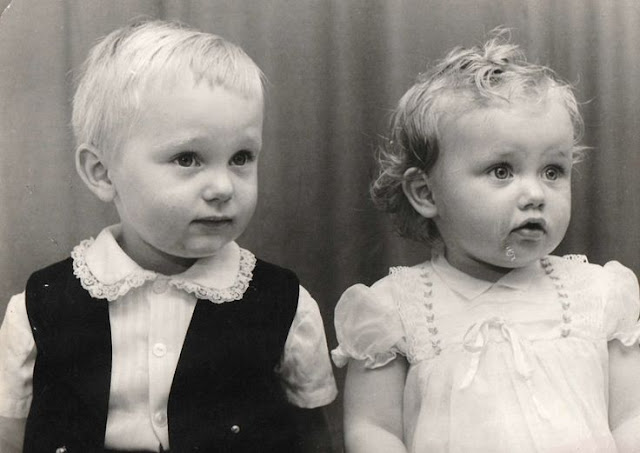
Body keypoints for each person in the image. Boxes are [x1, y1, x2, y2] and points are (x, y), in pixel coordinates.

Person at [0, 20, 337, 453]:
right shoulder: (40, 306)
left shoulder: (283, 302)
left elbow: (313, 437)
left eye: (241, 157)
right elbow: (11, 437)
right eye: (187, 158)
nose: (222, 187)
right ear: (102, 173)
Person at [332, 31, 640, 453]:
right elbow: (373, 430)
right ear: (426, 193)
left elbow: (631, 418)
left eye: (552, 171)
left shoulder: (597, 296)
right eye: (502, 171)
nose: (535, 194)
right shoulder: (394, 312)